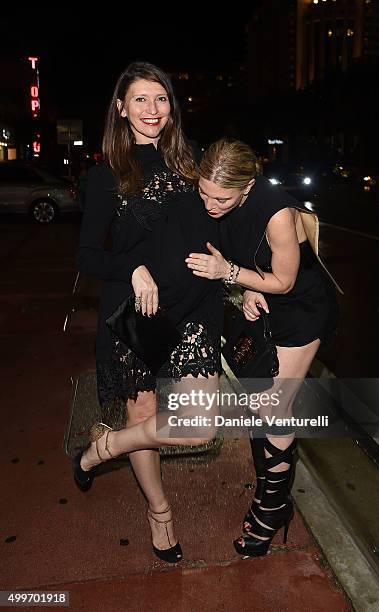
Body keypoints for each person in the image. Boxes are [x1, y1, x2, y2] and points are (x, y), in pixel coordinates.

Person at [74, 62, 223, 563]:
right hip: (135, 312)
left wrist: (243, 277)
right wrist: (132, 268)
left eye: (161, 99)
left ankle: (105, 447)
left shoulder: (194, 162)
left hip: (197, 305)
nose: (152, 110)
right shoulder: (105, 175)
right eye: (140, 99)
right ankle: (160, 515)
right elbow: (87, 256)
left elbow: (223, 220)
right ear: (120, 107)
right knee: (145, 414)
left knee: (200, 423)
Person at [184, 138, 341, 557]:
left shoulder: (277, 212)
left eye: (221, 198)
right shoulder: (219, 203)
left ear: (248, 186)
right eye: (203, 192)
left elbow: (287, 281)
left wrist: (229, 272)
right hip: (269, 304)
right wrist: (248, 285)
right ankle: (274, 495)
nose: (210, 204)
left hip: (303, 308)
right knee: (261, 405)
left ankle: (272, 508)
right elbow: (258, 268)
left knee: (273, 407)